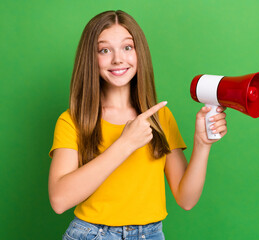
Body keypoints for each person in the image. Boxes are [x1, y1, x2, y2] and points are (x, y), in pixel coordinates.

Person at [48, 10, 227, 240]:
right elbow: (59, 200)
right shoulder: (72, 121)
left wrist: (202, 144)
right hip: (92, 234)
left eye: (127, 47)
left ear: (139, 52)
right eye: (104, 50)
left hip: (150, 234)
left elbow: (186, 199)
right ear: (91, 58)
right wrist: (124, 144)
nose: (118, 59)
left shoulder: (160, 117)